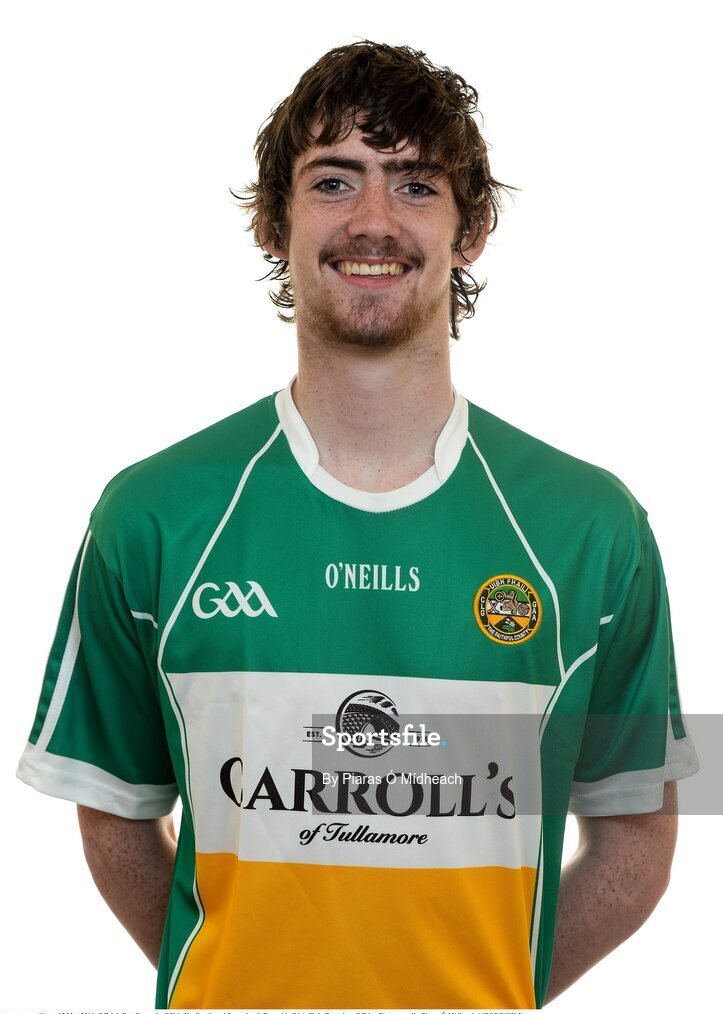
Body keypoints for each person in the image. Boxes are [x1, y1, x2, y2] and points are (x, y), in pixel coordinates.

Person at [16, 39, 700, 1010]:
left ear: (474, 228)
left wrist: (488, 994)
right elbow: (113, 813)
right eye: (335, 181)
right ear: (272, 219)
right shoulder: (155, 514)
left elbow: (636, 833)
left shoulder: (592, 527)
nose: (374, 221)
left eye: (416, 185)